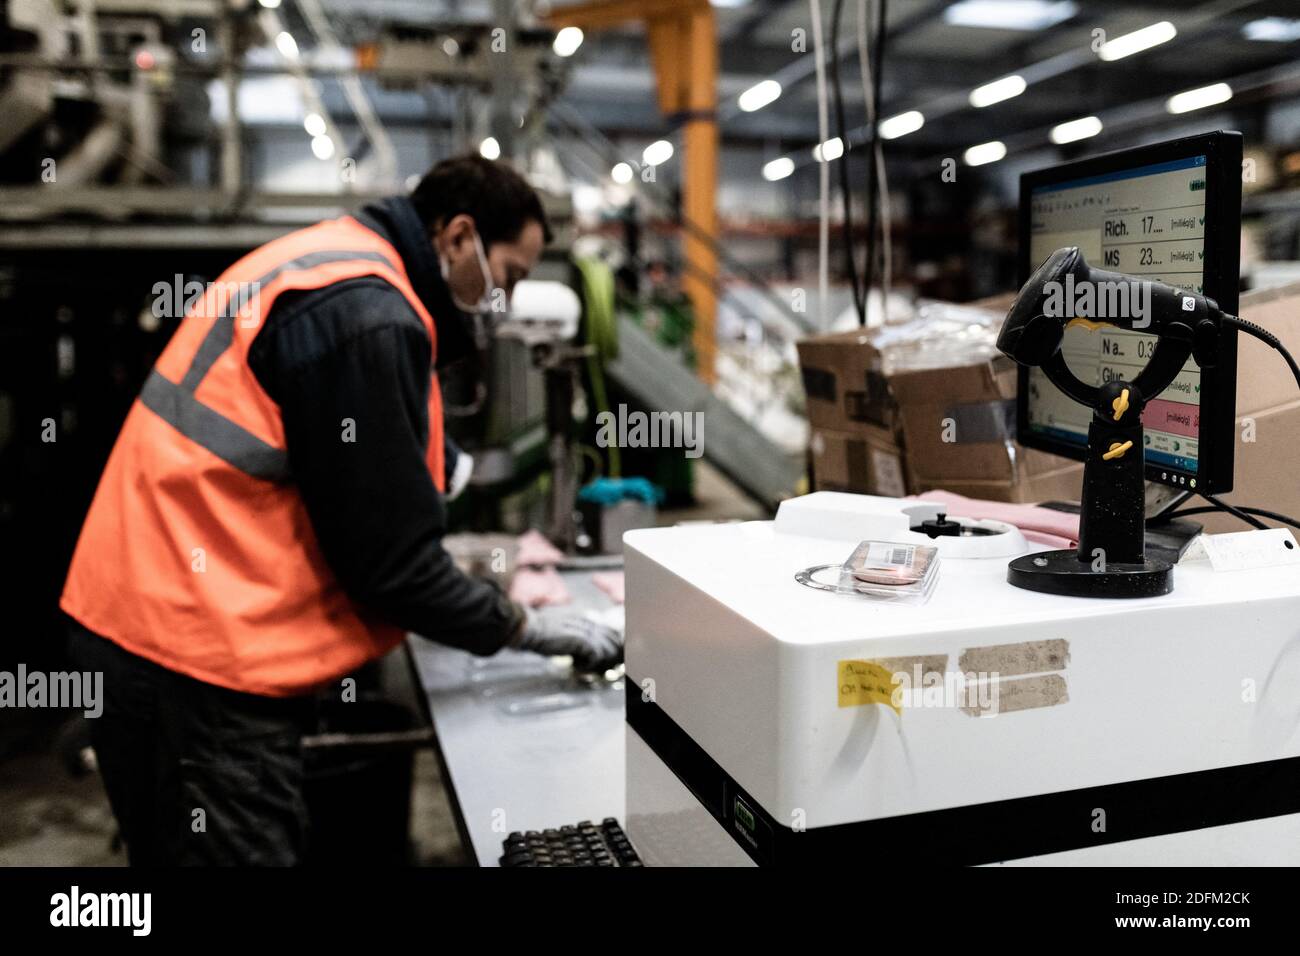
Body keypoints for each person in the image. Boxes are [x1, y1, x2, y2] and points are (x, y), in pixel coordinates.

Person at [61, 154, 623, 865]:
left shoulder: (335, 265)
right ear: (457, 238)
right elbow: (391, 567)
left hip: (152, 619)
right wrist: (528, 627)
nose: (501, 301)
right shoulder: (367, 315)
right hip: (191, 657)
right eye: (507, 276)